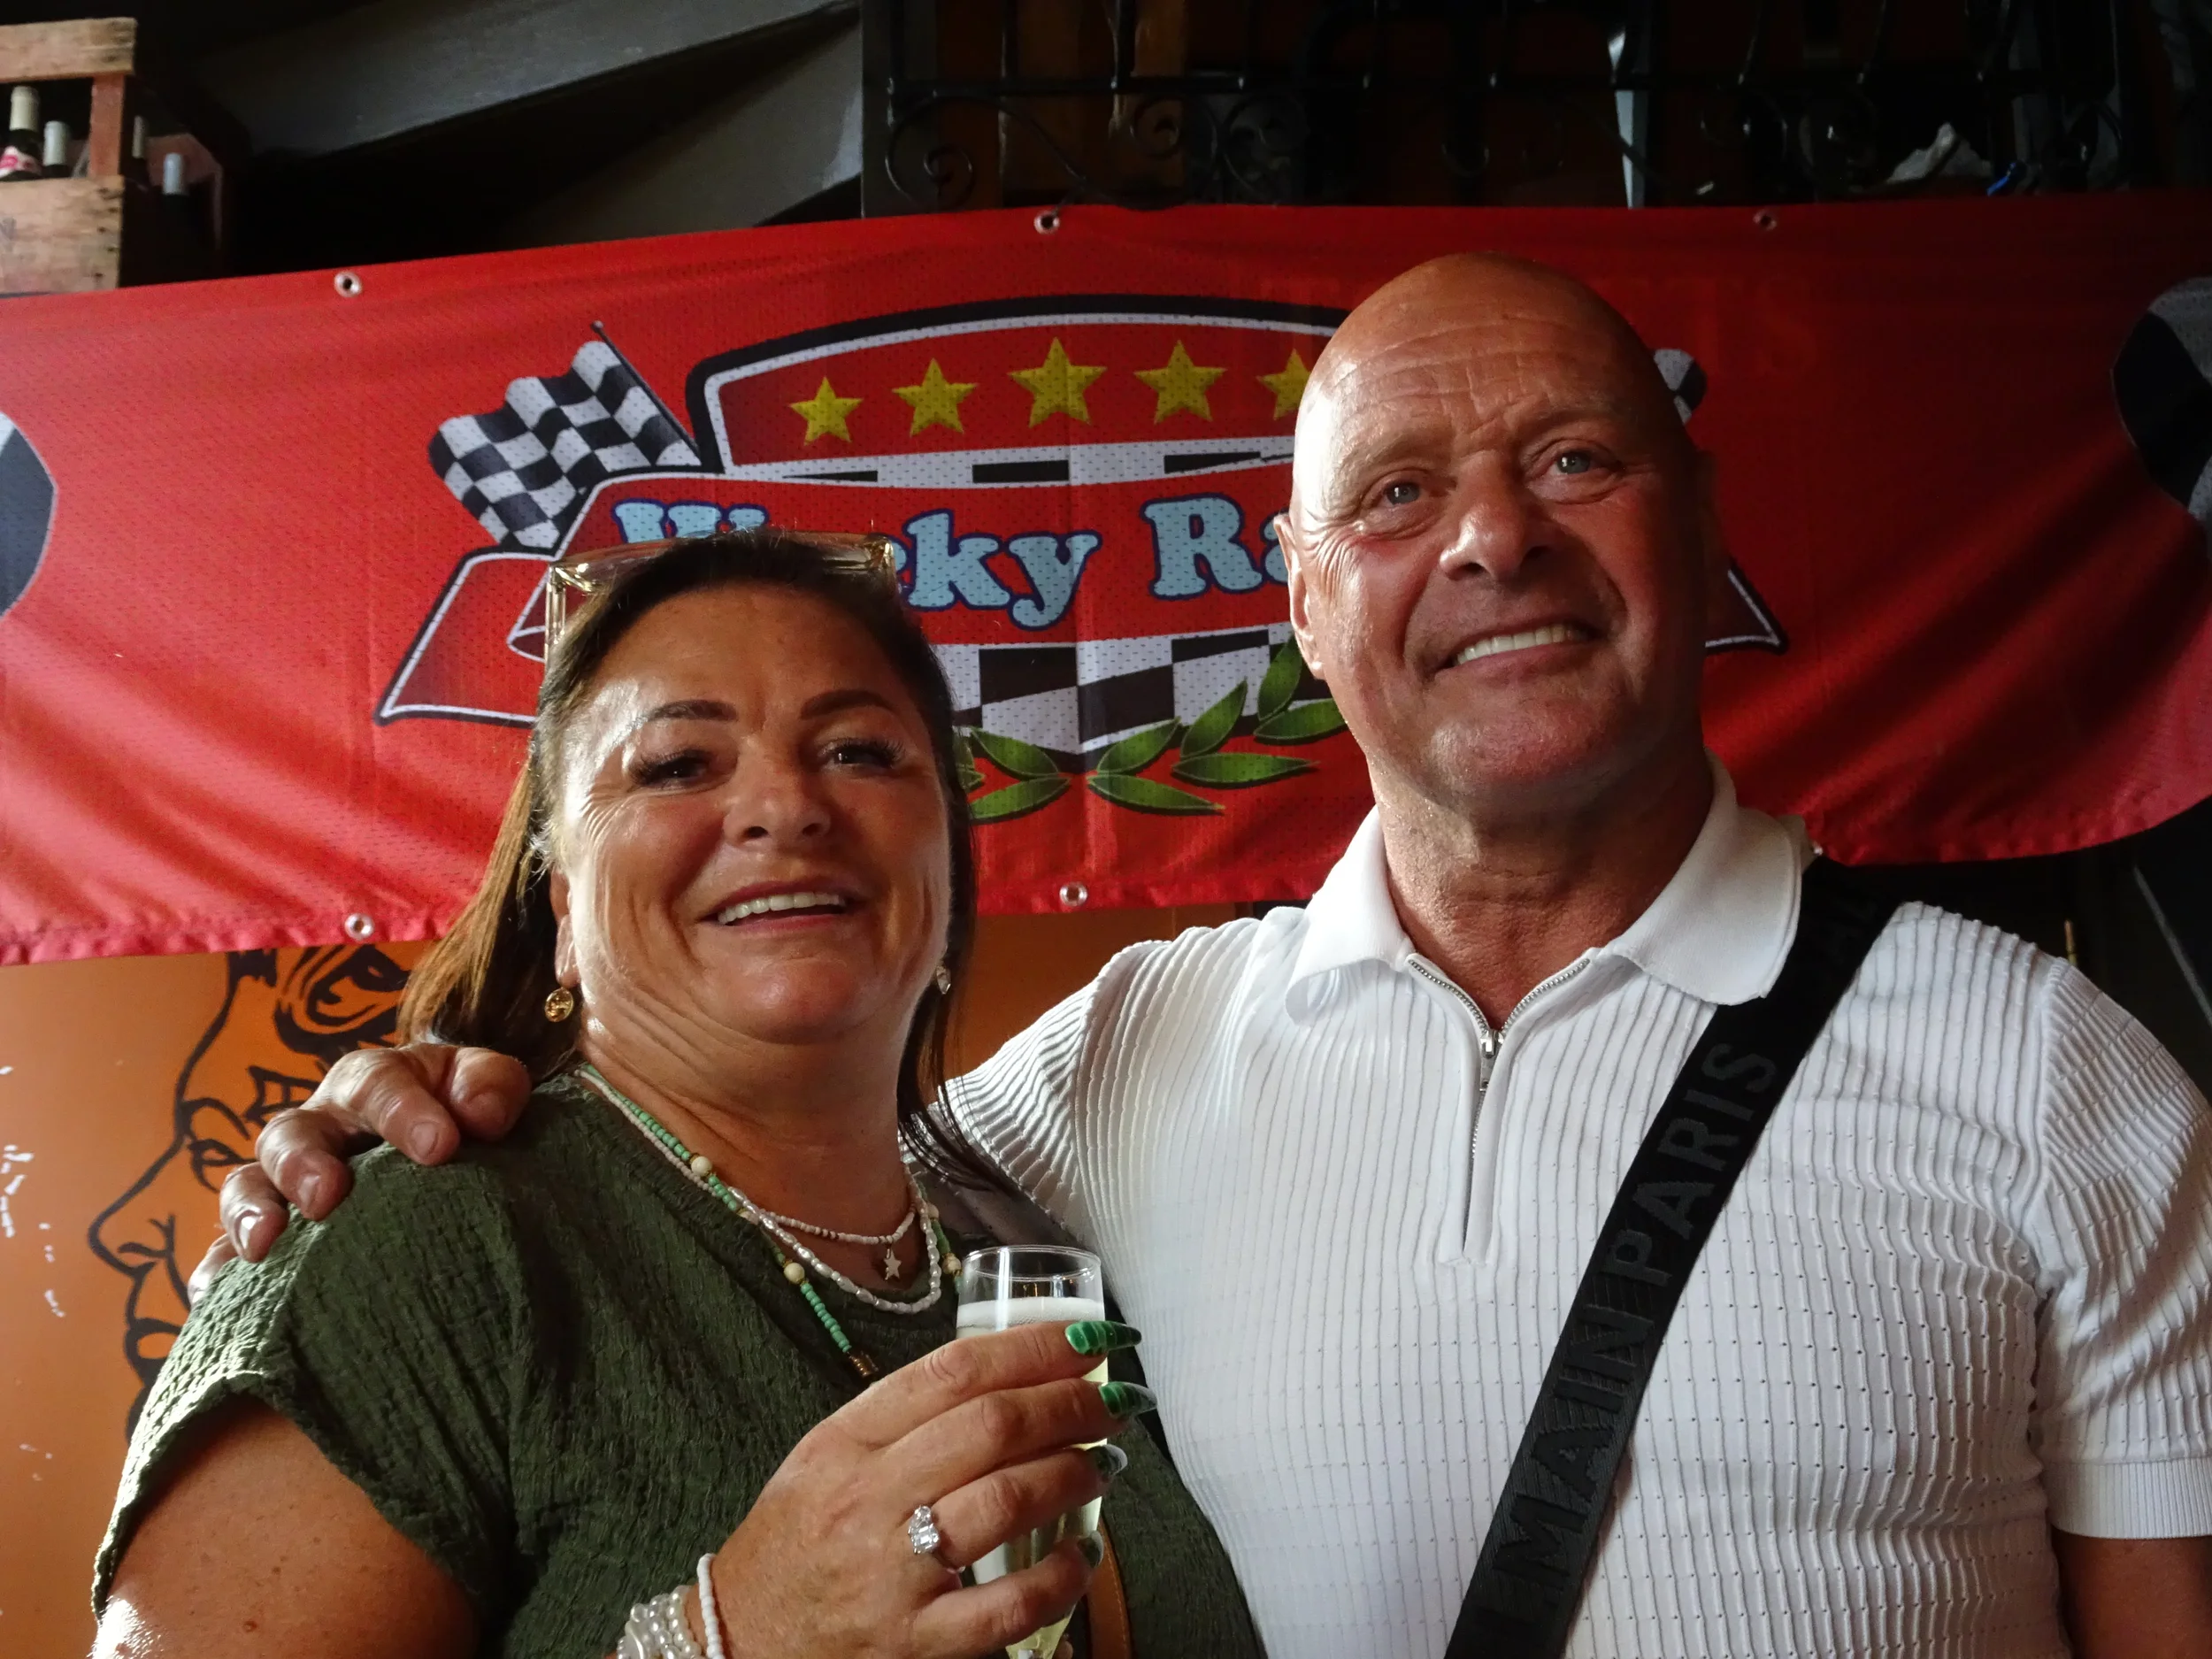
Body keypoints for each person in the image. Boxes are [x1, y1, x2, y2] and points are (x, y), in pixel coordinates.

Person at [207, 257, 2212, 1659]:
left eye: (1573, 461)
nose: (1491, 541)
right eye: (1396, 495)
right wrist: (394, 1110)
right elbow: (737, 1147)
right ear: (1305, 608)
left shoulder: (2055, 1071)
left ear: (1695, 524)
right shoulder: (1129, 1055)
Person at [97, 532, 1263, 1659]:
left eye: (858, 749)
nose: (786, 806)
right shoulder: (419, 1242)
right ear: (559, 909)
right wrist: (715, 1640)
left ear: (949, 866)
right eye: (677, 764)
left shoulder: (1024, 1239)